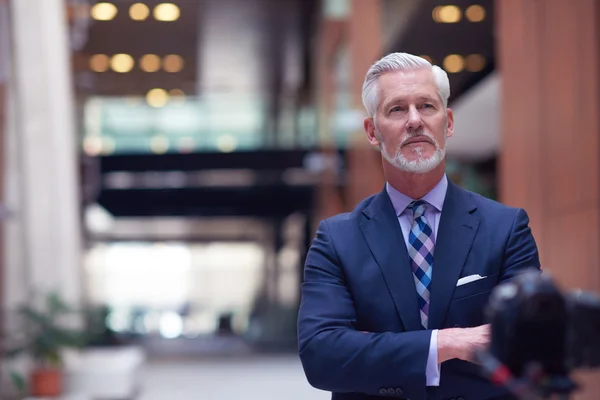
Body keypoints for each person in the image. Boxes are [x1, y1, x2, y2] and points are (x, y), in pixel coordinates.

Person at [297, 52, 541, 400]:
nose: (414, 120)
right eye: (397, 109)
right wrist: (451, 341)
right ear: (372, 131)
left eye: (427, 106)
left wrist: (374, 347)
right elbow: (322, 356)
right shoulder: (336, 240)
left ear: (449, 122)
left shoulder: (506, 228)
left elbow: (528, 346)